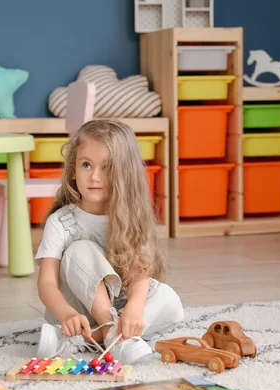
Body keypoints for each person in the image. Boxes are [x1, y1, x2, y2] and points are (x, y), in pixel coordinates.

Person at [34, 119, 185, 365]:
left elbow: (139, 276)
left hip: (119, 307)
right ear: (73, 169)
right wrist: (66, 314)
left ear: (125, 173)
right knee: (80, 250)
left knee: (169, 300)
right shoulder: (60, 222)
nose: (95, 176)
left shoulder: (133, 218)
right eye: (86, 165)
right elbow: (47, 283)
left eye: (107, 167)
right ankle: (115, 336)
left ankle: (87, 339)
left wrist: (134, 310)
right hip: (77, 312)